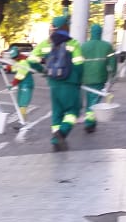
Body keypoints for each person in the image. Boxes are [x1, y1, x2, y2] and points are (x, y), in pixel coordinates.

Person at [25, 14, 85, 151]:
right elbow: (79, 65)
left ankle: (55, 140)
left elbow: (31, 60)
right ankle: (62, 132)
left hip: (53, 84)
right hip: (70, 83)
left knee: (57, 112)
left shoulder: (45, 44)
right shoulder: (73, 44)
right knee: (72, 111)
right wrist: (79, 80)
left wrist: (43, 70)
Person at [81, 23, 117, 133]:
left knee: (89, 100)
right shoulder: (107, 46)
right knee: (95, 101)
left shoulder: (83, 46)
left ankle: (90, 121)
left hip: (86, 79)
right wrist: (113, 76)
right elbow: (113, 63)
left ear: (91, 33)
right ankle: (90, 123)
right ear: (100, 33)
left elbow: (78, 63)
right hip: (100, 77)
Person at [8, 45, 35, 124]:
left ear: (18, 55)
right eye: (13, 58)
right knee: (20, 104)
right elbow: (15, 68)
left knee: (23, 104)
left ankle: (23, 122)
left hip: (27, 85)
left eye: (15, 57)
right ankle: (24, 121)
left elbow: (20, 76)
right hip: (22, 85)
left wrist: (12, 84)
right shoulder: (19, 61)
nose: (14, 59)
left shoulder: (24, 62)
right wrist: (7, 67)